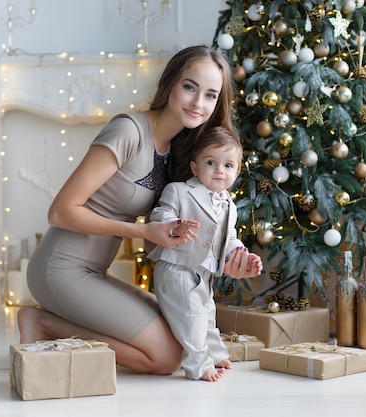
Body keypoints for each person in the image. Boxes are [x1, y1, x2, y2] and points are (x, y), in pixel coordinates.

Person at [17, 45, 263, 376]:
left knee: (180, 335)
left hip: (95, 275)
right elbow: (60, 212)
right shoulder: (129, 131)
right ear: (170, 84)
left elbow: (156, 246)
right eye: (189, 87)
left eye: (210, 95)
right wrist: (141, 231)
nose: (197, 102)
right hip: (60, 270)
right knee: (165, 359)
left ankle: (52, 322)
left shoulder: (179, 153)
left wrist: (229, 256)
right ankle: (43, 322)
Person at [147, 126, 262, 382]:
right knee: (192, 319)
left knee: (208, 312)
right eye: (211, 162)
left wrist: (241, 252)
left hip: (204, 272)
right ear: (195, 167)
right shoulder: (179, 190)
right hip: (176, 268)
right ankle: (198, 366)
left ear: (237, 171)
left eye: (228, 165)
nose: (220, 170)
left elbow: (228, 239)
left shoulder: (229, 204)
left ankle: (217, 353)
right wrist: (176, 224)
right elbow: (159, 215)